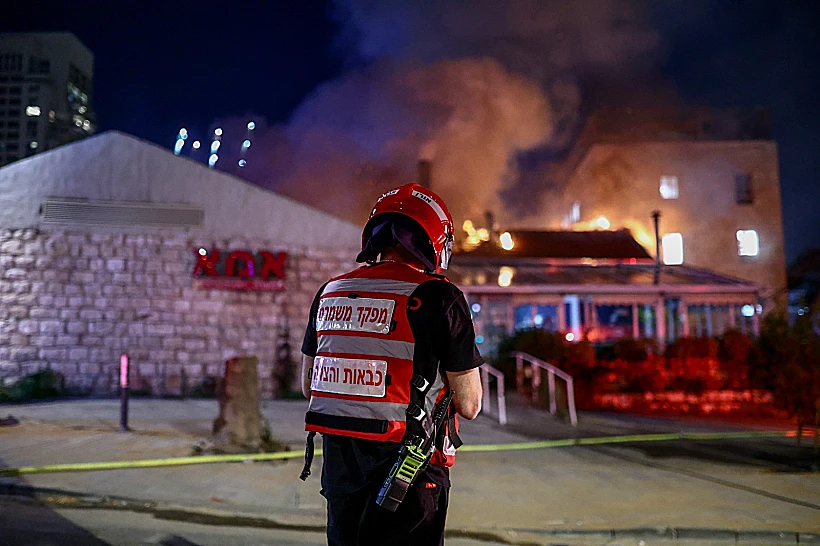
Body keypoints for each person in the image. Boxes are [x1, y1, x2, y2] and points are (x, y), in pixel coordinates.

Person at [300, 183, 484, 546]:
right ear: (435, 240)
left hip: (339, 465)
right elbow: (470, 404)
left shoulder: (329, 292)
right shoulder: (440, 296)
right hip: (410, 471)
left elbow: (309, 386)